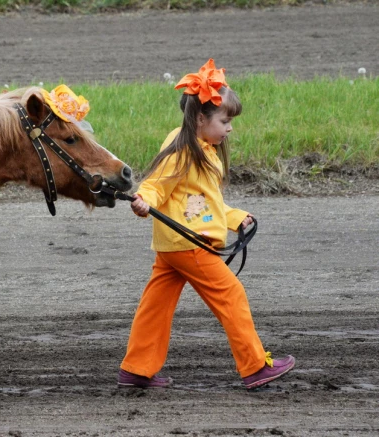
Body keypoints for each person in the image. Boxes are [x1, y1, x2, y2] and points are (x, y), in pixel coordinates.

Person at [118, 59, 295, 390]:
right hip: (190, 244)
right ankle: (255, 366)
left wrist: (234, 218)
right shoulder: (184, 149)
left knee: (155, 306)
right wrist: (144, 200)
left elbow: (200, 201)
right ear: (200, 118)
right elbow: (158, 183)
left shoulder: (202, 147)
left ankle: (137, 370)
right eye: (225, 121)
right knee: (231, 294)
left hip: (173, 245)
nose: (230, 128)